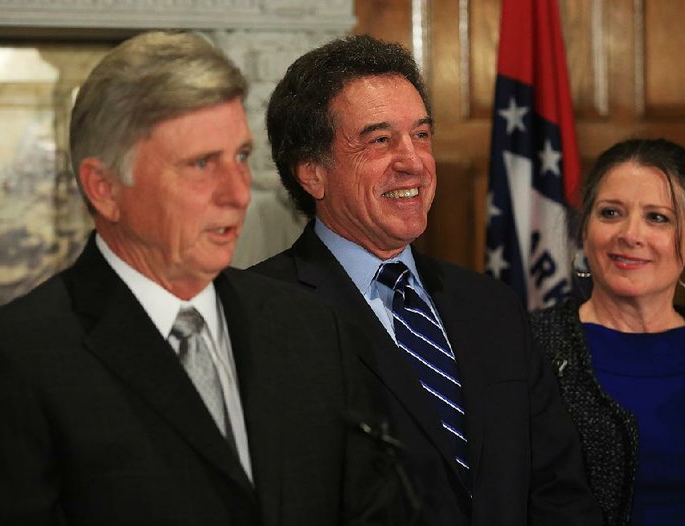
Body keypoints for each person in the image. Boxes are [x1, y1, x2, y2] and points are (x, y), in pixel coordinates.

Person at [0, 31, 409, 526]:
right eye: (201, 164)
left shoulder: (310, 328)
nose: (237, 193)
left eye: (240, 157)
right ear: (105, 188)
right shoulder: (15, 363)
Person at [252, 34, 601, 526]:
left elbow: (559, 489)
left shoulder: (491, 305)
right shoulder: (259, 314)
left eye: (421, 135)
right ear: (312, 173)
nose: (413, 161)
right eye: (379, 140)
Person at [529, 138, 685, 525]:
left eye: (657, 217)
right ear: (584, 232)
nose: (630, 234)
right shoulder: (530, 348)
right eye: (610, 213)